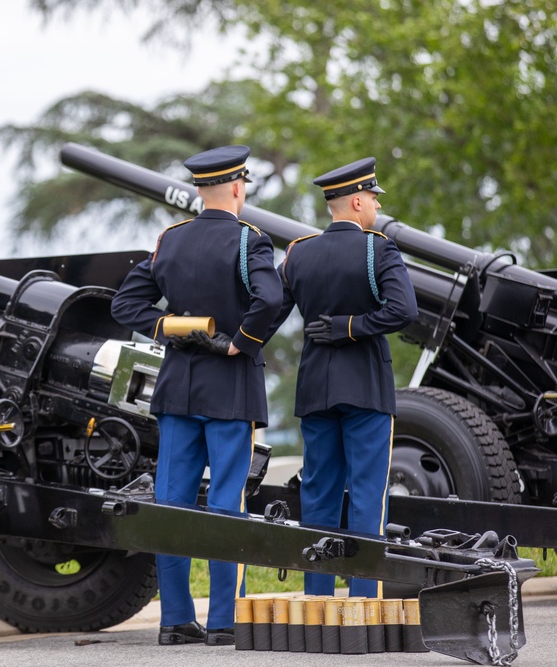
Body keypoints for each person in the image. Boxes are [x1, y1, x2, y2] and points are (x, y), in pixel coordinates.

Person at [111, 145, 283, 646]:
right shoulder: (250, 240)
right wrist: (241, 342)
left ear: (200, 190)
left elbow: (128, 303)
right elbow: (270, 299)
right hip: (229, 389)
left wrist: (167, 326)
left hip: (177, 390)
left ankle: (175, 621)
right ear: (236, 187)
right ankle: (226, 620)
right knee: (228, 499)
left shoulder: (171, 240)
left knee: (172, 502)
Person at [272, 157, 418, 598]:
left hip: (316, 388)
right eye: (373, 198)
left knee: (318, 493)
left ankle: (316, 598)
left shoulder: (299, 253)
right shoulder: (379, 249)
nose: (375, 206)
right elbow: (403, 311)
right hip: (366, 390)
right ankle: (363, 597)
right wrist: (353, 326)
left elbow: (269, 314)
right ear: (357, 201)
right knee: (368, 494)